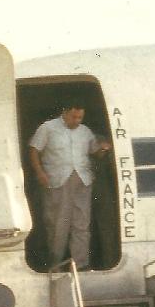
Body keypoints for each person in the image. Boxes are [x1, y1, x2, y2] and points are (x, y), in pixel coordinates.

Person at [28, 102, 111, 269]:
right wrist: (39, 172)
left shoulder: (85, 131)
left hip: (82, 180)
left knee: (82, 223)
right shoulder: (48, 128)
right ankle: (55, 263)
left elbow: (95, 153)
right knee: (58, 224)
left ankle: (81, 264)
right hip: (58, 180)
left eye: (80, 117)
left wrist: (103, 148)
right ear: (65, 112)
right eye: (74, 116)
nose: (77, 120)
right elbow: (33, 150)